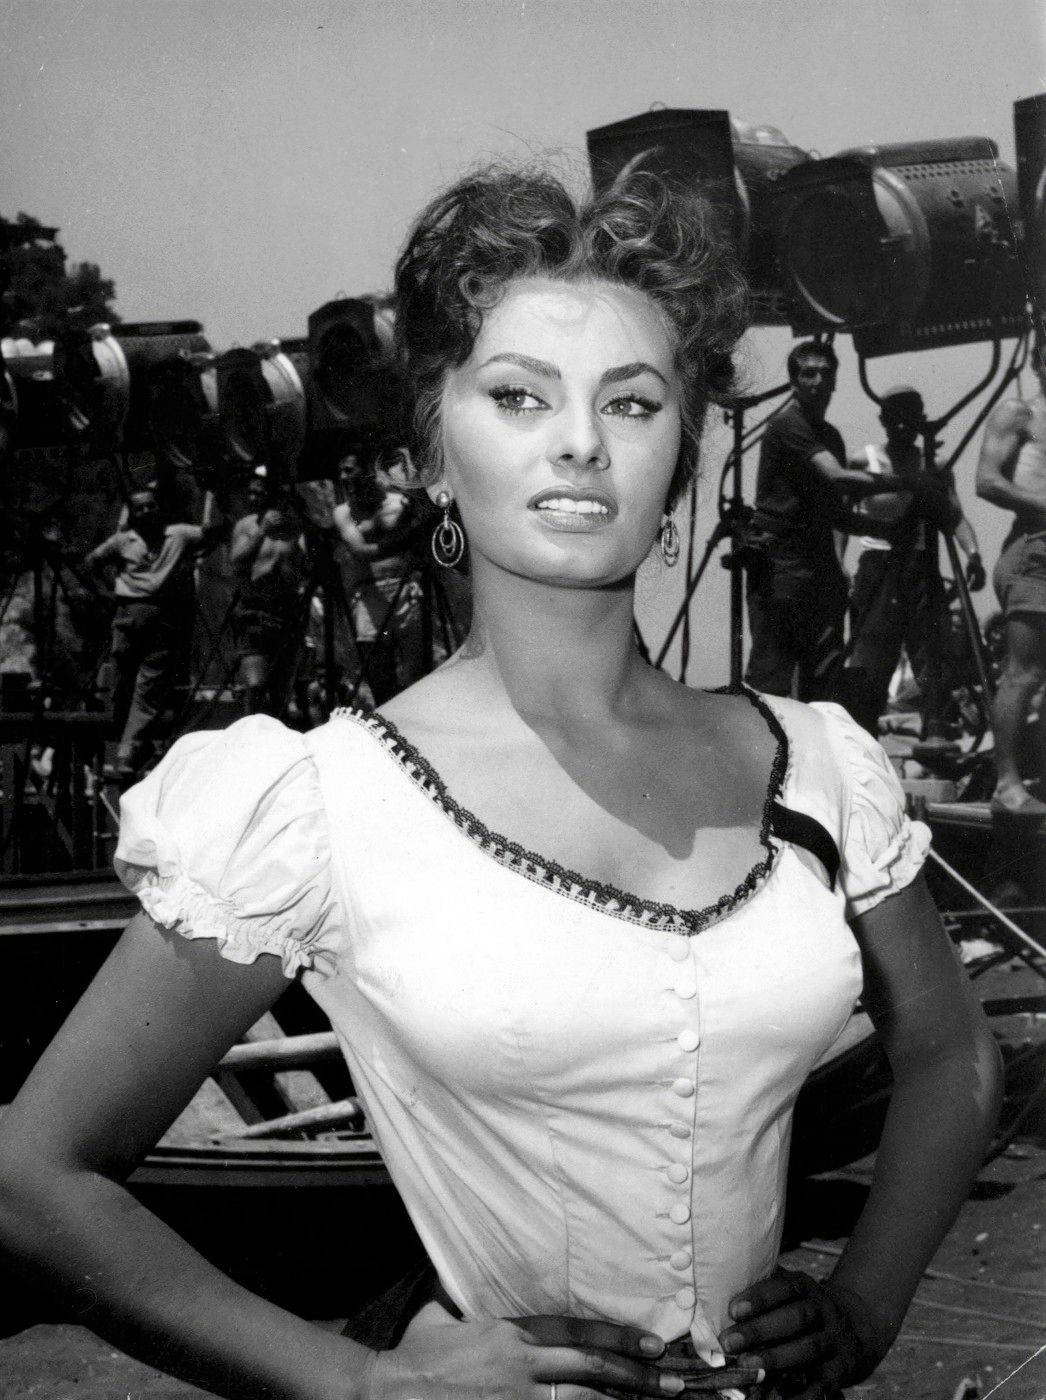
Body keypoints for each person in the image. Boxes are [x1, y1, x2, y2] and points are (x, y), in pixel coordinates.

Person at [0, 167, 1002, 1400]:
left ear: (680, 458)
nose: (580, 440)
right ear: (432, 448)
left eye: (630, 401)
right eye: (519, 395)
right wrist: (357, 1382)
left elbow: (949, 1048)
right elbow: (32, 1175)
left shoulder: (818, 764)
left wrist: (863, 1301)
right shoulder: (318, 803)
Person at [744, 344, 891, 703]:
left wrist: (886, 532)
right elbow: (838, 477)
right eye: (808, 373)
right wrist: (909, 482)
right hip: (782, 564)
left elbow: (837, 515)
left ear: (836, 380)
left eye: (825, 373)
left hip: (819, 564)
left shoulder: (831, 437)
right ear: (794, 381)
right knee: (772, 678)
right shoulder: (787, 425)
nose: (818, 381)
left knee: (824, 677)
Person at [845, 387, 984, 740]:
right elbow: (840, 518)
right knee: (871, 659)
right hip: (878, 566)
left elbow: (954, 516)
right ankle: (862, 736)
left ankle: (936, 731)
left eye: (909, 414)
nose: (902, 423)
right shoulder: (864, 460)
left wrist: (973, 554)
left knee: (931, 655)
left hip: (921, 566)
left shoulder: (934, 468)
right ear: (883, 419)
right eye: (895, 415)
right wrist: (838, 563)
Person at [85, 484, 220, 775]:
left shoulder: (178, 534)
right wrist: (106, 593)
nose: (146, 511)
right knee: (120, 683)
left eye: (151, 505)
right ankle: (119, 745)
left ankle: (126, 753)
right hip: (128, 614)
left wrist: (215, 497)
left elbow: (211, 533)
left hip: (161, 616)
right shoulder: (123, 541)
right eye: (139, 508)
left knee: (149, 687)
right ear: (132, 514)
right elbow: (92, 561)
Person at [975, 344, 1046, 817]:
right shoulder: (1020, 413)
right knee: (1024, 672)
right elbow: (986, 481)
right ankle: (1006, 782)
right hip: (1033, 551)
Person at [229, 469, 309, 715]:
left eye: (260, 493)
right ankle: (250, 729)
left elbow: (306, 568)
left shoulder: (295, 529)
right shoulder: (246, 525)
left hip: (286, 612)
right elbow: (236, 561)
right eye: (251, 493)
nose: (253, 498)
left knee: (281, 690)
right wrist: (262, 530)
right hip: (254, 612)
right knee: (255, 685)